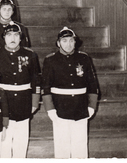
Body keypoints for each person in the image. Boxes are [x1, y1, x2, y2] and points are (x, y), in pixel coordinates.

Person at [41, 26, 99, 159]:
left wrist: (91, 106)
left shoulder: (84, 58)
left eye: (71, 41)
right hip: (60, 108)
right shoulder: (50, 60)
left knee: (80, 144)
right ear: (58, 43)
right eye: (65, 41)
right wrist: (50, 109)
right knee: (62, 145)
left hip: (81, 107)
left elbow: (92, 84)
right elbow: (46, 87)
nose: (68, 44)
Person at [0, 21, 41, 158]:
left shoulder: (30, 55)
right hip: (2, 100)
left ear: (20, 38)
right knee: (3, 142)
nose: (12, 38)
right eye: (9, 35)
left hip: (24, 102)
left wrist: (34, 102)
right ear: (4, 37)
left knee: (21, 141)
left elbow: (36, 80)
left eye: (16, 35)